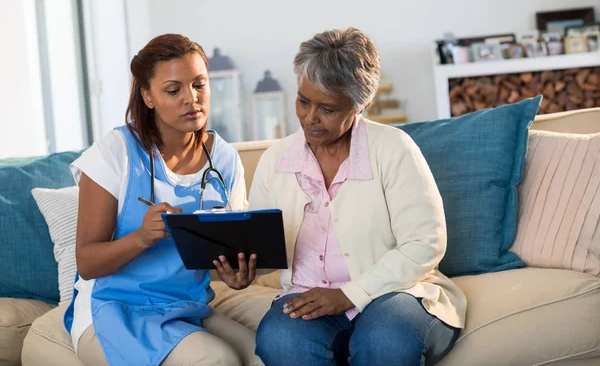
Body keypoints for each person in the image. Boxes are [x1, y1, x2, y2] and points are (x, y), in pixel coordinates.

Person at [251, 27, 467, 366]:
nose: (310, 118)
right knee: (280, 339)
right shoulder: (275, 160)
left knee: (385, 339)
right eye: (303, 101)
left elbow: (425, 242)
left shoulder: (393, 149)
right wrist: (244, 271)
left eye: (328, 109)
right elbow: (262, 247)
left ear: (360, 104)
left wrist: (349, 294)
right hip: (307, 297)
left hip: (394, 294)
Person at [63, 34, 262, 366]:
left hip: (185, 306)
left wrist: (238, 276)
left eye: (199, 85)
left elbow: (226, 252)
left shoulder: (224, 158)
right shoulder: (115, 153)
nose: (191, 99)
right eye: (174, 90)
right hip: (115, 308)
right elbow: (87, 262)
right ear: (148, 96)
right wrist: (141, 238)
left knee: (266, 355)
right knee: (217, 359)